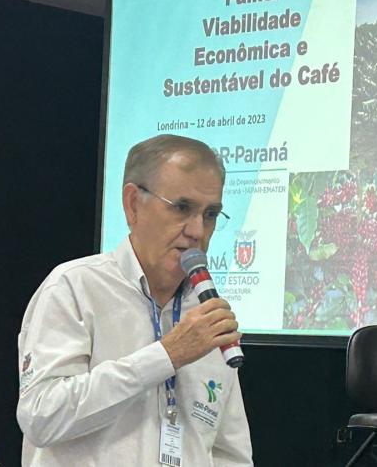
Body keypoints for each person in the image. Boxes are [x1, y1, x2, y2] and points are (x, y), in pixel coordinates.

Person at [16, 134, 252, 466]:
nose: (198, 230)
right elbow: (42, 417)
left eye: (211, 214)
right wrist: (166, 355)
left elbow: (230, 453)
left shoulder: (205, 316)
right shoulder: (74, 287)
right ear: (133, 204)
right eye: (182, 208)